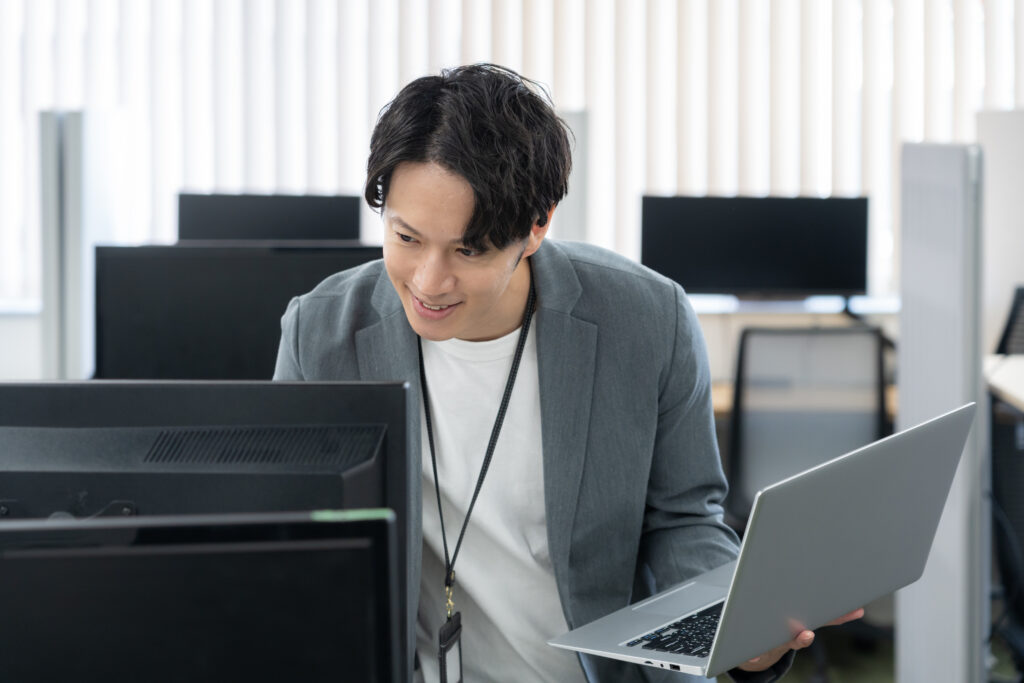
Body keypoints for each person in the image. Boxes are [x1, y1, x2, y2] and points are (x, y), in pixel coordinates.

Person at [274, 63, 860, 682]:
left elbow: (683, 522)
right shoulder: (321, 334)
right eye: (407, 237)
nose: (427, 281)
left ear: (537, 225)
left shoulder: (646, 319)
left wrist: (737, 631)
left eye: (467, 250)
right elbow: (295, 542)